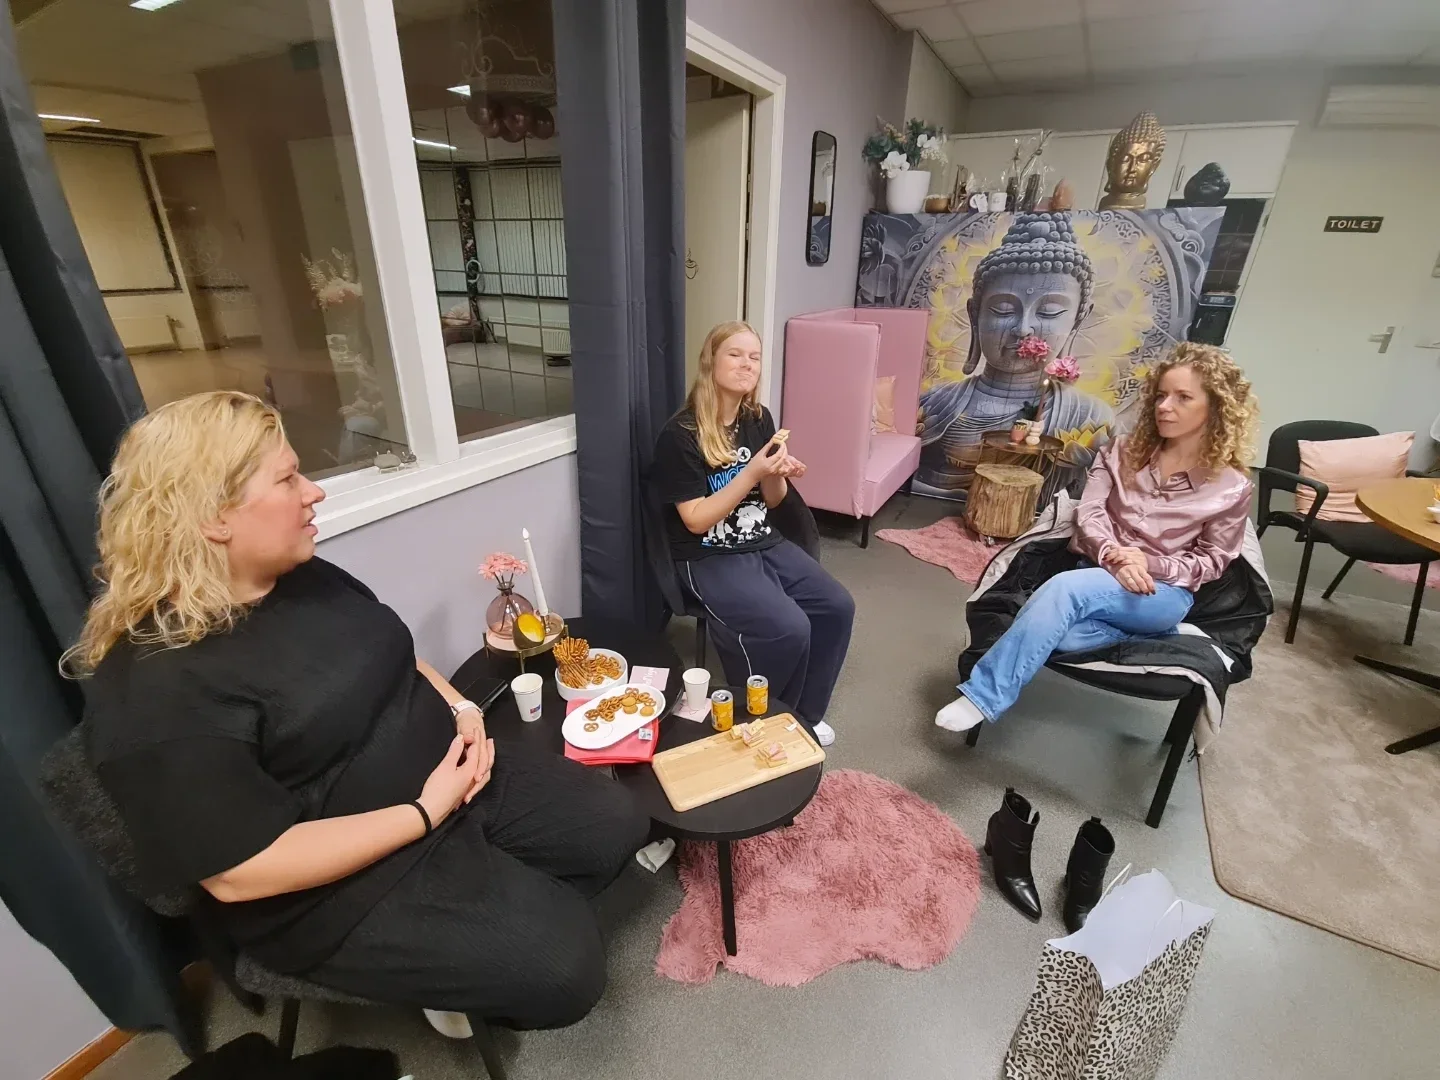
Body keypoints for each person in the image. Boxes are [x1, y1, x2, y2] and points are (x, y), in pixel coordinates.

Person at [70, 391, 649, 1035]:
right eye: (288, 479)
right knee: (569, 971)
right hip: (344, 882)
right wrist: (424, 811)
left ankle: (498, 910)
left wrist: (461, 708)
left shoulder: (302, 576)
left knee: (617, 824)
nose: (314, 492)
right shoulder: (158, 690)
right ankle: (471, 957)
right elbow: (240, 874)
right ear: (213, 517)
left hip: (454, 777)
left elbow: (395, 655)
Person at [935, 342, 1258, 731]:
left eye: (1183, 397)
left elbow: (1212, 561)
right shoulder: (1121, 451)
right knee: (1058, 634)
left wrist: (1149, 563)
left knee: (1062, 592)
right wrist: (1115, 557)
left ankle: (983, 696)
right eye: (1161, 395)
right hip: (1096, 570)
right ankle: (1163, 635)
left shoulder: (1231, 486)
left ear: (1216, 407)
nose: (1164, 406)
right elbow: (1089, 512)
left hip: (1162, 593)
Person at [651, 321, 855, 746]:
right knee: (788, 627)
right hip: (706, 553)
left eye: (755, 357)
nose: (747, 364)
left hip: (761, 539)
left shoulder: (758, 419)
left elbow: (774, 500)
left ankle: (804, 715)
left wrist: (777, 471)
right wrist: (751, 472)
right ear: (711, 361)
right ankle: (761, 719)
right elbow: (695, 520)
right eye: (735, 354)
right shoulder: (680, 434)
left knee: (837, 606)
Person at [917, 211, 1115, 499]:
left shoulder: (1090, 417)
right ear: (975, 316)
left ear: (1076, 322)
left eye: (1049, 312)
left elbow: (1090, 499)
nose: (1023, 329)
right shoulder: (935, 403)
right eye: (1003, 310)